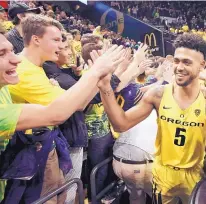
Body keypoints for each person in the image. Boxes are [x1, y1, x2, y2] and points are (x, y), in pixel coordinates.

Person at [0, 20, 124, 202]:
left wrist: (99, 75)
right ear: (36, 40)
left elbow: (74, 104)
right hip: (33, 152)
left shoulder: (27, 71)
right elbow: (59, 111)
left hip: (44, 147)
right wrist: (96, 72)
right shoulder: (23, 71)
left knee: (61, 193)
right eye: (56, 40)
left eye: (11, 50)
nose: (15, 59)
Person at [98, 33, 206, 204]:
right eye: (176, 61)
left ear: (202, 65)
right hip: (162, 173)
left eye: (186, 62)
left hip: (195, 173)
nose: (179, 67)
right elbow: (121, 124)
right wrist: (105, 87)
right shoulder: (158, 94)